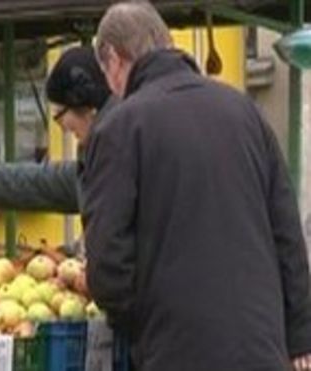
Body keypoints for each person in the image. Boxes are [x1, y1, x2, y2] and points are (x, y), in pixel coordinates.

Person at [81, 2, 311, 370]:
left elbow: (107, 264)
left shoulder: (121, 128)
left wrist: (145, 322)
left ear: (115, 60)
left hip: (177, 351)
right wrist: (299, 336)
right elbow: (287, 234)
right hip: (261, 348)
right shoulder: (244, 110)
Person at [0, 47, 114, 218]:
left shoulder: (120, 159)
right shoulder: (103, 162)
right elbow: (42, 184)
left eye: (60, 114)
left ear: (87, 104)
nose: (64, 128)